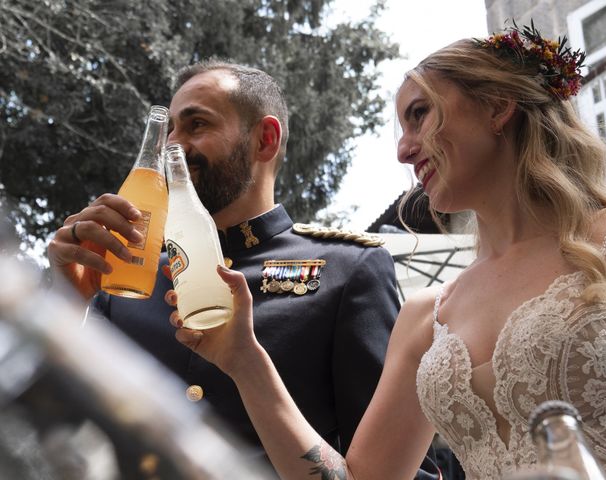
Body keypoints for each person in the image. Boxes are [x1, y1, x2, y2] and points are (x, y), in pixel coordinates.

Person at [166, 23, 606, 480]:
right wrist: (248, 364)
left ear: (497, 106)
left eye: (419, 115)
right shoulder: (424, 318)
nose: (404, 151)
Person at [47, 60, 439, 478]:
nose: (172, 146)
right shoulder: (122, 277)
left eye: (196, 124)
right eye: (170, 131)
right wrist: (63, 301)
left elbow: (390, 470)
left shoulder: (347, 270)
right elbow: (54, 435)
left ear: (265, 140)